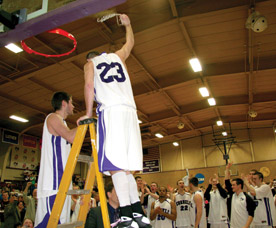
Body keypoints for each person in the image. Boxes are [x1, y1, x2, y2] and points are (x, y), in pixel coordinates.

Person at [77, 14, 150, 228]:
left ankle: (126, 217)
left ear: (89, 58)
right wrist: (128, 24)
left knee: (116, 167)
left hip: (112, 112)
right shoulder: (117, 56)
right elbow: (130, 44)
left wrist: (89, 112)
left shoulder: (90, 64)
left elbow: (89, 87)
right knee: (126, 168)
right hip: (131, 112)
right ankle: (138, 214)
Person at [35, 91, 77, 227]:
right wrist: (85, 122)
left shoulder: (63, 123)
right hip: (53, 184)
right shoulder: (52, 118)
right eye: (71, 102)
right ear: (64, 103)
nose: (73, 106)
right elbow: (71, 136)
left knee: (61, 224)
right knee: (48, 223)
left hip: (62, 183)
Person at [225, 163, 256, 228]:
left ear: (239, 186)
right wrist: (227, 169)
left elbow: (251, 214)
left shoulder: (247, 198)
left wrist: (246, 226)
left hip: (244, 226)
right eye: (232, 185)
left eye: (234, 185)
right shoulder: (232, 196)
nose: (232, 186)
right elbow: (227, 182)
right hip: (233, 226)